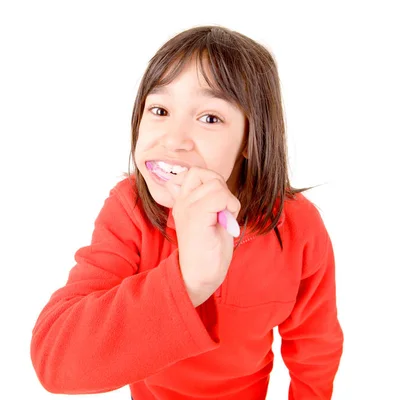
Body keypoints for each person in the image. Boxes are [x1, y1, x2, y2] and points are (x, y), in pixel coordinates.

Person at [30, 25, 343, 399]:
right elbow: (57, 363)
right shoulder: (129, 210)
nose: (174, 139)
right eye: (160, 109)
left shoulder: (298, 227)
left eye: (210, 118)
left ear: (251, 138)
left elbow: (315, 346)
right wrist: (186, 282)